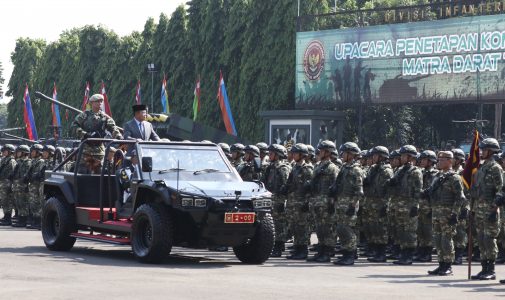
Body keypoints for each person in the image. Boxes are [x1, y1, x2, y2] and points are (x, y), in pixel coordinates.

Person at [425, 151, 465, 276]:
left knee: (446, 240)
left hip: (448, 213)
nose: (439, 161)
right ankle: (441, 264)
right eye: (439, 159)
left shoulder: (455, 177)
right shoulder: (437, 176)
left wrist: (455, 214)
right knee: (437, 239)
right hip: (437, 212)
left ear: (450, 161)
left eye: (442, 159)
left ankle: (448, 266)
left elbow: (460, 198)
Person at [471, 138, 503, 280]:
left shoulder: (496, 168)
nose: (482, 152)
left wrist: (494, 208)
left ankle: (491, 269)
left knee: (489, 239)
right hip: (479, 208)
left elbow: (501, 190)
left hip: (490, 209)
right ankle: (484, 268)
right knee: (481, 239)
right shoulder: (481, 168)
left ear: (491, 151)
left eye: (484, 150)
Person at [71, 94, 122, 173]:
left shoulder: (104, 117)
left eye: (101, 101)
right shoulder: (84, 115)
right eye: (97, 101)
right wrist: (85, 134)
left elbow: (113, 127)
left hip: (99, 150)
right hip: (85, 149)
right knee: (82, 172)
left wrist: (119, 136)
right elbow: (74, 126)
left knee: (99, 173)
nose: (100, 103)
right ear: (92, 103)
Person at [331, 142, 364, 265]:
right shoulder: (345, 168)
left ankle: (350, 255)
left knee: (347, 229)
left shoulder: (356, 170)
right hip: (341, 203)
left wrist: (352, 205)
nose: (342, 155)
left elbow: (359, 191)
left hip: (349, 203)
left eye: (344, 153)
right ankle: (346, 253)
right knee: (341, 229)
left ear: (351, 154)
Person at [306, 140, 339, 263]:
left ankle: (327, 252)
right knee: (319, 228)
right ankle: (321, 250)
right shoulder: (318, 166)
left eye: (321, 151)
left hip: (326, 203)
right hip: (316, 202)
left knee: (327, 228)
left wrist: (332, 203)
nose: (318, 153)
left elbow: (336, 187)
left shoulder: (332, 168)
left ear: (327, 152)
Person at [390, 145, 423, 265]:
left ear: (410, 157)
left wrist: (415, 206)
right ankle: (403, 253)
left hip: (409, 205)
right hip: (399, 204)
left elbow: (417, 191)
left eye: (404, 155)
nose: (401, 157)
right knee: (401, 230)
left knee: (409, 231)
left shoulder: (416, 171)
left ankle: (409, 255)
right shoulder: (400, 170)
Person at [365, 146, 394, 263]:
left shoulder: (386, 171)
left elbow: (389, 190)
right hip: (371, 202)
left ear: (382, 157)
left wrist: (386, 205)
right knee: (373, 228)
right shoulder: (373, 169)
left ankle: (381, 253)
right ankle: (376, 252)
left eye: (376, 155)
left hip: (381, 202)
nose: (373, 157)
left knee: (381, 229)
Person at [285, 143, 313, 260]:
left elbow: (310, 188)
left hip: (302, 202)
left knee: (302, 227)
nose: (293, 155)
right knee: (295, 226)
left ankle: (303, 250)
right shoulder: (295, 168)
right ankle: (297, 249)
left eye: (295, 153)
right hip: (293, 202)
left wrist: (307, 202)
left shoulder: (307, 169)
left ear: (302, 155)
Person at [263, 144, 291, 257]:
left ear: (278, 155)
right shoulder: (271, 167)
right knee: (273, 223)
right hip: (271, 198)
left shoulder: (283, 168)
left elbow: (285, 186)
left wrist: (282, 202)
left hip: (279, 199)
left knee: (279, 224)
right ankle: (274, 245)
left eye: (271, 153)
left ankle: (279, 246)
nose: (269, 155)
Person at [415, 150, 439, 262]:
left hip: (429, 206)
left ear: (431, 161)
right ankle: (422, 251)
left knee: (428, 230)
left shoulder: (435, 174)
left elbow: (433, 191)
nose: (422, 161)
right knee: (420, 230)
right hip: (421, 206)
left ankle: (427, 252)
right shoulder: (422, 172)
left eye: (425, 159)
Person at [11, 145, 31, 227]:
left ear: (24, 153)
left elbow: (27, 174)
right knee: (18, 202)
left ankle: (23, 221)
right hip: (17, 185)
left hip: (23, 185)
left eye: (19, 152)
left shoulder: (28, 162)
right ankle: (20, 219)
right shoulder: (18, 161)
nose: (17, 153)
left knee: (23, 203)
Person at [26, 144, 45, 229]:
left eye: (33, 151)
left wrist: (31, 176)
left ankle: (38, 221)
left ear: (38, 152)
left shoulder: (40, 161)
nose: (32, 153)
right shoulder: (33, 161)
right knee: (33, 202)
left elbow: (37, 173)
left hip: (37, 185)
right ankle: (35, 220)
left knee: (38, 203)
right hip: (33, 184)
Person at [0, 144, 17, 226]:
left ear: (10, 152)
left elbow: (13, 174)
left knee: (8, 200)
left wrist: (12, 185)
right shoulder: (4, 160)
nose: (3, 152)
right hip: (3, 182)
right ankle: (5, 216)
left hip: (8, 183)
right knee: (3, 200)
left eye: (5, 151)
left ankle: (8, 217)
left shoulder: (12, 161)